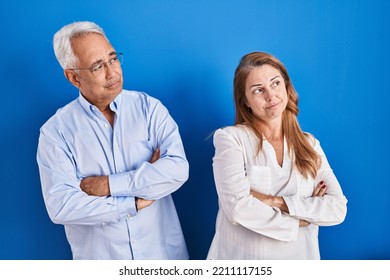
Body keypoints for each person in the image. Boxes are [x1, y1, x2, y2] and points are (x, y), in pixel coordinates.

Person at [36, 21, 189, 260]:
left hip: (162, 257)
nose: (112, 73)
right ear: (74, 78)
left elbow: (177, 170)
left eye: (113, 59)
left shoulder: (150, 108)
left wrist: (108, 185)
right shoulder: (56, 133)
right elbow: (62, 206)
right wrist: (134, 201)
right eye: (98, 67)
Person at [207, 52, 347, 259]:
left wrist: (275, 201)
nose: (271, 95)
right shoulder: (230, 139)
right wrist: (301, 219)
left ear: (287, 87)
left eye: (275, 83)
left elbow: (337, 208)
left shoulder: (309, 144)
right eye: (258, 90)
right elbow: (238, 208)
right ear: (245, 100)